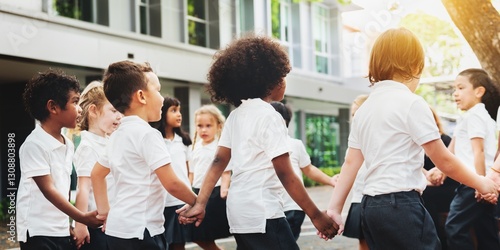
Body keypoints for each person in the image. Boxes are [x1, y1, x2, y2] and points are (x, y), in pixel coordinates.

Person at [323, 28, 499, 250]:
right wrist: (481, 182)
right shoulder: (412, 103)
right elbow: (443, 160)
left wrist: (335, 209)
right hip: (402, 206)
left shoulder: (365, 109)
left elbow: (351, 162)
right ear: (415, 66)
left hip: (370, 207)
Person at [177, 35, 338, 250]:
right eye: (283, 76)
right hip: (264, 213)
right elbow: (285, 173)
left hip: (239, 213)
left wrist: (200, 202)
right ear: (271, 80)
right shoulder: (270, 116)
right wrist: (316, 215)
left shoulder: (236, 115)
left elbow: (218, 161)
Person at [91, 61, 197, 250]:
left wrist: (106, 213)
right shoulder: (148, 135)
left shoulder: (117, 135)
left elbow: (97, 174)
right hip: (142, 231)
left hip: (117, 230)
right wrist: (197, 202)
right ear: (141, 96)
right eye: (158, 90)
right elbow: (172, 183)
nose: (162, 98)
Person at [17, 68, 103, 250]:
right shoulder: (34, 144)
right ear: (53, 107)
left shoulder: (68, 144)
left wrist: (67, 225)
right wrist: (81, 217)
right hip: (38, 232)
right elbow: (48, 190)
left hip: (60, 230)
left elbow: (62, 190)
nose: (80, 109)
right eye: (75, 102)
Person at [443, 68, 500, 250]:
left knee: (454, 227)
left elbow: (479, 152)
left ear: (479, 91)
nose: (455, 93)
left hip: (473, 184)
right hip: (480, 184)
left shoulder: (475, 115)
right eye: (454, 89)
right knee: (486, 231)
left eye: (461, 88)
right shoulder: (477, 116)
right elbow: (454, 150)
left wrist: (481, 183)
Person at [270, 101, 336, 241]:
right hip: (270, 208)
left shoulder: (295, 144)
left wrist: (330, 180)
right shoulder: (260, 145)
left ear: (284, 122)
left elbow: (309, 169)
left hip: (293, 206)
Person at [72, 81, 122, 249]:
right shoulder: (88, 146)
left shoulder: (109, 141)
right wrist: (80, 224)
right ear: (93, 111)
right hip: (96, 227)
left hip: (113, 224)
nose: (119, 116)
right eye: (114, 110)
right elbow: (83, 188)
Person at [150, 96, 193, 250]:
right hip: (162, 202)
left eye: (179, 110)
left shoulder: (184, 140)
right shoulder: (155, 140)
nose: (179, 114)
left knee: (178, 245)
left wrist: (189, 195)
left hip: (180, 202)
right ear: (162, 113)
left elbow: (188, 171)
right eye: (173, 110)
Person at [188, 104, 232, 250]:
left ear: (218, 126)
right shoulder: (194, 147)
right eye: (200, 126)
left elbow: (226, 172)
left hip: (215, 194)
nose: (204, 130)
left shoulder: (219, 147)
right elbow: (192, 173)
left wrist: (224, 190)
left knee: (209, 233)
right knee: (197, 235)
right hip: (197, 192)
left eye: (208, 125)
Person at [421, 106, 458, 250]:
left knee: (426, 196)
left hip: (447, 187)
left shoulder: (445, 139)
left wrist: (438, 175)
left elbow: (448, 165)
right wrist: (428, 175)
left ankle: (437, 241)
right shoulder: (415, 143)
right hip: (427, 184)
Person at [341, 94, 369, 250]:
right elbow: (351, 166)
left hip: (374, 198)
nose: (353, 118)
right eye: (352, 115)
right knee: (363, 244)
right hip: (358, 198)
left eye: (357, 113)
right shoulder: (354, 139)